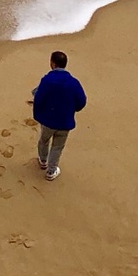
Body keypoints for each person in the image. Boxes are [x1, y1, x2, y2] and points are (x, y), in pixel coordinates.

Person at [31, 50, 87, 180]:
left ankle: (43, 160)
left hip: (47, 120)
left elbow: (39, 97)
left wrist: (38, 113)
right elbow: (81, 101)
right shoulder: (74, 82)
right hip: (64, 121)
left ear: (52, 63)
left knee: (44, 140)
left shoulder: (47, 80)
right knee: (57, 146)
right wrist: (72, 110)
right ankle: (51, 171)